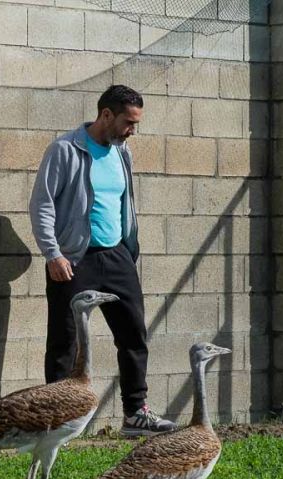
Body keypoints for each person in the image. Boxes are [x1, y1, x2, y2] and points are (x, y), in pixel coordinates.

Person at [29, 84, 175, 437]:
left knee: (134, 333)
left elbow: (123, 203)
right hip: (75, 260)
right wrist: (53, 254)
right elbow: (42, 204)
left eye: (136, 123)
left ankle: (135, 413)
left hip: (117, 255)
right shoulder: (65, 150)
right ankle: (58, 422)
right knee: (65, 342)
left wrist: (128, 247)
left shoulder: (122, 152)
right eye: (128, 122)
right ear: (106, 115)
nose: (132, 130)